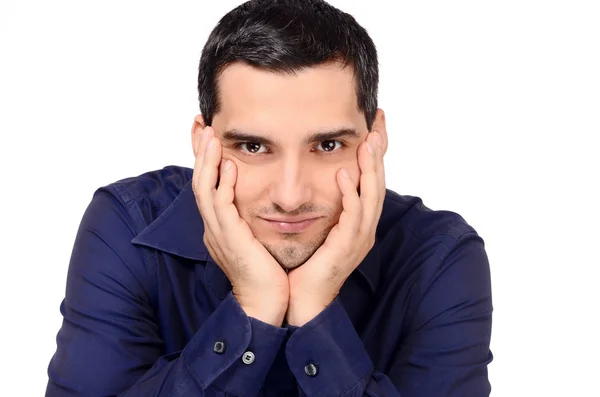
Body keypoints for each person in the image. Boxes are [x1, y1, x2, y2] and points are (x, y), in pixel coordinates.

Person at [45, 0, 493, 395]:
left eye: (328, 145)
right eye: (254, 147)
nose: (290, 196)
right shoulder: (129, 227)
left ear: (375, 138)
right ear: (204, 142)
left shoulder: (440, 258)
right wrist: (253, 308)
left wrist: (315, 309)